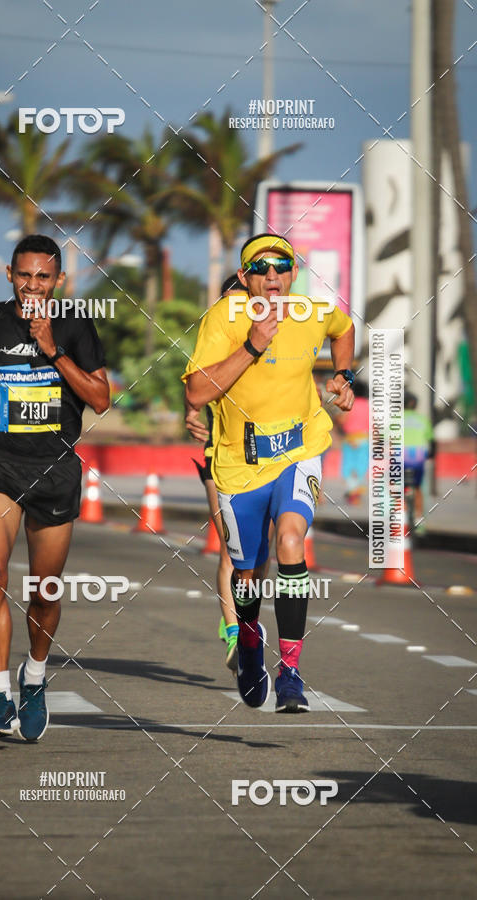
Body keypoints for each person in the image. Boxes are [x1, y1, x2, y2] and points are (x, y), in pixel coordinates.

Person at [183, 233, 355, 713]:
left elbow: (345, 331)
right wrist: (254, 345)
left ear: (294, 272)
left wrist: (344, 376)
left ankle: (293, 673)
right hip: (239, 464)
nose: (273, 276)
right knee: (246, 572)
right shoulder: (224, 317)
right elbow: (197, 391)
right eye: (261, 269)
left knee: (291, 542)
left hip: (300, 449)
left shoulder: (313, 311)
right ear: (244, 278)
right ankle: (251, 639)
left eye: (282, 266)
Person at [0, 234, 109, 741]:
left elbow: (102, 399)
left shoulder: (74, 323)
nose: (33, 285)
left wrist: (53, 352)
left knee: (43, 592)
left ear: (59, 281)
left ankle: (34, 673)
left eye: (43, 277)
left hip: (54, 470)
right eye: (24, 275)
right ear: (9, 275)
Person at [185, 274, 246, 672]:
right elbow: (192, 390)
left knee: (258, 558)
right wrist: (190, 416)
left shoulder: (278, 343)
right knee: (231, 548)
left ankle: (248, 620)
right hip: (219, 456)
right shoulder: (213, 342)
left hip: (271, 459)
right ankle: (234, 633)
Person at [335, 380, 370, 505]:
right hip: (364, 440)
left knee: (349, 465)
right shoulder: (368, 405)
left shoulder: (350, 403)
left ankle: (352, 490)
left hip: (349, 439)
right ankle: (356, 491)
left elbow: (341, 420)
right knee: (361, 466)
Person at [403, 392, 433, 534]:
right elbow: (431, 439)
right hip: (418, 458)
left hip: (401, 457)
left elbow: (383, 437)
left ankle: (399, 518)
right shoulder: (422, 419)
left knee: (397, 488)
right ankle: (419, 521)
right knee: (419, 489)